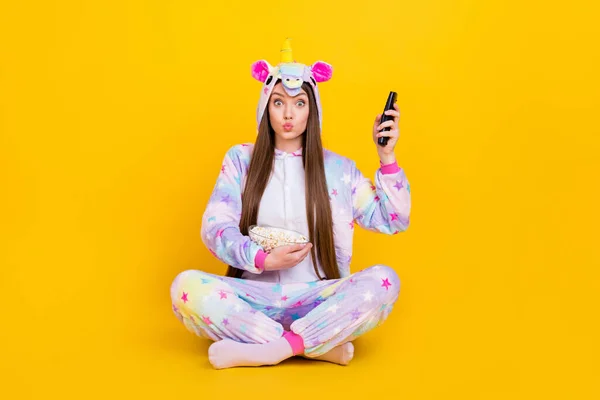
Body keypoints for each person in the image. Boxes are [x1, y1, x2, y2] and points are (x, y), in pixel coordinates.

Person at [170, 38, 411, 369]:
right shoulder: (241, 160)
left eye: (299, 104)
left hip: (319, 299)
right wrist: (261, 259)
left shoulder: (339, 170)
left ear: (312, 110)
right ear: (265, 106)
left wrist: (387, 157)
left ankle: (272, 350)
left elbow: (393, 218)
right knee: (185, 286)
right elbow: (215, 226)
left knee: (385, 280)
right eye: (278, 102)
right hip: (255, 300)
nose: (288, 114)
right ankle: (314, 345)